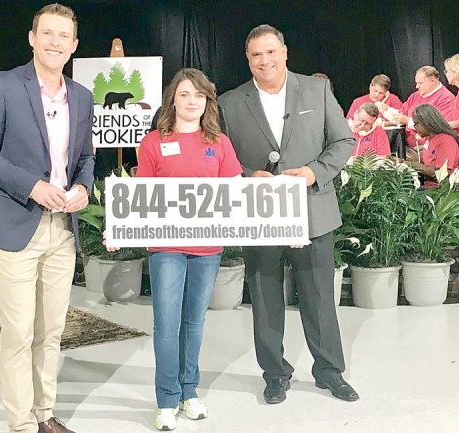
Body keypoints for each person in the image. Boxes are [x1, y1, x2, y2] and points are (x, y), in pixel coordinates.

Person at [0, 4, 95, 433]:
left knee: (52, 331)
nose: (56, 42)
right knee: (19, 333)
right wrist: (31, 185)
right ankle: (21, 424)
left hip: (62, 228)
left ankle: (45, 416)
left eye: (64, 36)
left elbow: (86, 158)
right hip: (13, 224)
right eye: (48, 33)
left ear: (74, 45)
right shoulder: (3, 86)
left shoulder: (82, 96)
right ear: (32, 38)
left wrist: (82, 189)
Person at [218, 24, 358, 405]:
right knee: (264, 299)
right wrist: (248, 176)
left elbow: (344, 139)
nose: (264, 61)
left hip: (312, 212)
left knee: (319, 298)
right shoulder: (230, 102)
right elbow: (222, 159)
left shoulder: (316, 90)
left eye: (269, 52)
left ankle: (330, 371)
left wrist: (314, 171)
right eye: (255, 55)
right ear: (248, 59)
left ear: (284, 52)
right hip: (261, 217)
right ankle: (275, 374)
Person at [136, 68, 242, 430]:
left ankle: (188, 392)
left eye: (199, 95)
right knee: (166, 324)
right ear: (173, 100)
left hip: (207, 247)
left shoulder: (219, 143)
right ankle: (166, 399)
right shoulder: (153, 143)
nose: (192, 101)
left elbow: (236, 194)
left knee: (193, 323)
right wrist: (120, 230)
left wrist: (283, 225)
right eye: (184, 94)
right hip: (166, 245)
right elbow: (140, 198)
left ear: (207, 101)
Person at [405, 103, 459, 188]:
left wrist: (415, 166)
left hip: (441, 191)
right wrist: (400, 161)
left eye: (416, 124)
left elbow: (442, 174)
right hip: (428, 187)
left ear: (425, 121)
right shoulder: (430, 139)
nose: (414, 127)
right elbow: (422, 157)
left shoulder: (446, 141)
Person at [393, 66, 455, 147]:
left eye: (420, 83)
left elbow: (439, 127)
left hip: (431, 148)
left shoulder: (446, 99)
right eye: (416, 83)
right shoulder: (415, 96)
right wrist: (385, 111)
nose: (417, 86)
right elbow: (401, 112)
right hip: (409, 146)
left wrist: (408, 121)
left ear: (432, 81)